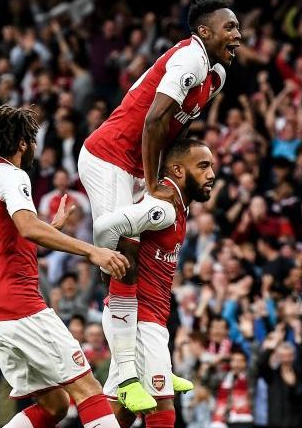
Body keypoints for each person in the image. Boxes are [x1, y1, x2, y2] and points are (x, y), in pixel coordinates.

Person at [77, 0, 241, 411]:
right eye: (230, 27)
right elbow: (152, 121)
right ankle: (129, 375)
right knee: (122, 259)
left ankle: (150, 368)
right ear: (204, 32)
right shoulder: (189, 60)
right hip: (111, 156)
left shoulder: (214, 76)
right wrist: (153, 185)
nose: (237, 35)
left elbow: (169, 131)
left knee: (140, 263)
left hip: (135, 163)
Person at [0, 105, 129, 428]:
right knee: (88, 388)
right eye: (33, 141)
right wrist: (91, 251)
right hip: (20, 306)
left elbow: (7, 239)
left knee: (54, 405)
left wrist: (51, 229)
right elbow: (27, 227)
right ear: (23, 143)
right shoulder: (12, 175)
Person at [94, 139, 215, 428]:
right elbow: (104, 226)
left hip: (147, 320)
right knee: (163, 408)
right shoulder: (164, 207)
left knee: (120, 414)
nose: (211, 173)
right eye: (203, 166)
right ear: (177, 170)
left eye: (211, 165)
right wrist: (105, 260)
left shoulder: (180, 206)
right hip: (138, 320)